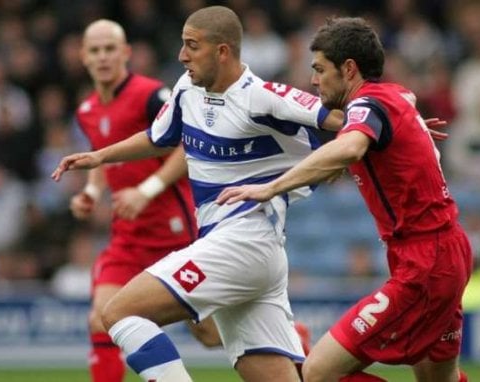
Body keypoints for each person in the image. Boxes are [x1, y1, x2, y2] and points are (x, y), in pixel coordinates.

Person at [53, 7, 343, 382]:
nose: (181, 55)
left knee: (119, 313)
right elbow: (158, 138)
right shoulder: (187, 89)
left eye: (192, 46)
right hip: (249, 252)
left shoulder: (262, 96)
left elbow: (342, 120)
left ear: (222, 51)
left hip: (243, 241)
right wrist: (99, 157)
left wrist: (402, 122)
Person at [217, 16, 473, 382]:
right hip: (445, 252)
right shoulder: (395, 97)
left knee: (318, 373)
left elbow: (350, 148)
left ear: (349, 69)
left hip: (426, 261)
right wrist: (410, 129)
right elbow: (397, 115)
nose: (313, 80)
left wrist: (272, 187)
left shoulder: (368, 106)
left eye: (320, 69)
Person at [70, 19, 219, 382]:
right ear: (83, 57)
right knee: (101, 317)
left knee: (210, 334)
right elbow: (102, 157)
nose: (103, 57)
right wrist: (91, 191)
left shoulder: (152, 95)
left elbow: (188, 145)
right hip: (128, 236)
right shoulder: (87, 110)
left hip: (173, 232)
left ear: (125, 53)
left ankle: (293, 339)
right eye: (95, 50)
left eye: (110, 49)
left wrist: (147, 190)